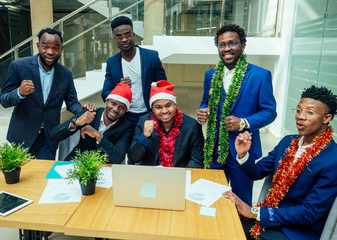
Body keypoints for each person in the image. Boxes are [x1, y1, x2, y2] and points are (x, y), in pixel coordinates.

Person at [224, 85, 337, 240]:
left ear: (326, 118)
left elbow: (309, 213)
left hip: (297, 231)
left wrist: (254, 212)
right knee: (225, 220)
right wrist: (243, 154)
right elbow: (257, 171)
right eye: (298, 110)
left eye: (309, 112)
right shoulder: (287, 142)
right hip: (270, 217)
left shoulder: (333, 159)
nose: (300, 116)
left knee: (233, 232)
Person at [197, 24, 277, 205]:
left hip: (243, 152)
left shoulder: (260, 75)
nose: (226, 48)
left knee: (241, 202)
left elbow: (270, 112)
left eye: (232, 43)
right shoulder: (210, 75)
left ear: (243, 45)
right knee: (211, 199)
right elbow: (205, 101)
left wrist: (244, 122)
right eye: (221, 44)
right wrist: (202, 112)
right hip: (214, 150)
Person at [0, 28, 93, 160]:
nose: (50, 52)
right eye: (45, 47)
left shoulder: (66, 74)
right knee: (24, 178)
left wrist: (81, 110)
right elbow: (3, 100)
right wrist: (19, 93)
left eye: (55, 48)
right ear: (38, 46)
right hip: (22, 136)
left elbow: (72, 102)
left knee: (45, 177)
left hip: (49, 137)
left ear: (61, 49)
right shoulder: (19, 66)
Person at [101, 16, 167, 125]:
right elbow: (105, 94)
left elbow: (163, 87)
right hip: (125, 116)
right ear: (115, 39)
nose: (124, 39)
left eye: (127, 35)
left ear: (133, 35)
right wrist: (119, 87)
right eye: (119, 36)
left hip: (149, 114)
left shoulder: (151, 57)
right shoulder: (112, 63)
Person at [51, 82, 133, 163]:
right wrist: (75, 123)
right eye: (113, 103)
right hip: (76, 162)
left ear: (126, 111)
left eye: (121, 107)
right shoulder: (89, 113)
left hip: (103, 169)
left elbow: (118, 158)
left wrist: (98, 136)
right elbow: (54, 135)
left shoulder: (126, 127)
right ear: (106, 101)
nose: (115, 109)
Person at [128, 80, 204, 168]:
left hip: (179, 175)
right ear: (152, 109)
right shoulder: (143, 121)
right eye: (158, 107)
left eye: (168, 106)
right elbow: (133, 158)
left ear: (175, 105)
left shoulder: (192, 126)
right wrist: (144, 137)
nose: (164, 111)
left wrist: (182, 177)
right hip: (150, 175)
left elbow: (197, 160)